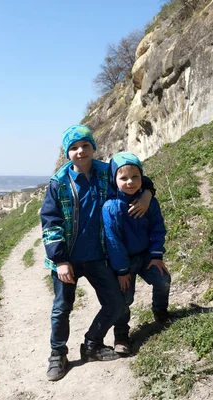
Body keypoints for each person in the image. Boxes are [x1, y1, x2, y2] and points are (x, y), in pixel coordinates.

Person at [40, 125, 155, 381]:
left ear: (93, 147)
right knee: (62, 308)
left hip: (98, 256)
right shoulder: (59, 182)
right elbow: (50, 221)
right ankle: (58, 354)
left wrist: (147, 193)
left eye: (85, 145)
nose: (80, 151)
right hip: (67, 260)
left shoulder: (106, 172)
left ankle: (92, 344)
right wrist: (60, 260)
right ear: (67, 152)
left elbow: (136, 178)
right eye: (73, 147)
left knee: (116, 302)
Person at [102, 152, 170, 356]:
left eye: (135, 177)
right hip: (124, 263)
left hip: (147, 256)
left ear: (142, 178)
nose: (130, 182)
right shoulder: (111, 207)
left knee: (163, 280)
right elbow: (114, 242)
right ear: (114, 180)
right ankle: (121, 335)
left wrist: (156, 255)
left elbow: (158, 227)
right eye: (123, 178)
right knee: (124, 299)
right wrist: (122, 270)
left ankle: (161, 312)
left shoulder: (148, 202)